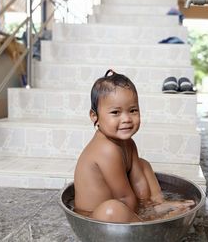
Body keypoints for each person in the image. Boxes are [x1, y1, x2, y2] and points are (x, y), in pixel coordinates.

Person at [74, 69, 194, 223]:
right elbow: (123, 197)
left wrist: (149, 206)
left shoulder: (128, 143)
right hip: (95, 218)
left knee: (143, 164)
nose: (126, 119)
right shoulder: (106, 149)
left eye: (133, 110)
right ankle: (149, 226)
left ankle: (158, 205)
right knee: (111, 210)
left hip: (125, 205)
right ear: (94, 116)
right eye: (116, 112)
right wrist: (147, 219)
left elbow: (139, 182)